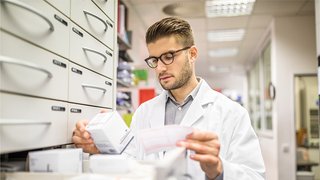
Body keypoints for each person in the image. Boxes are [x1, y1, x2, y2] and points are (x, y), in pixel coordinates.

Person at [73, 17, 265, 180]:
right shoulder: (144, 112)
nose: (160, 68)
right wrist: (101, 146)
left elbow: (255, 175)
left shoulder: (232, 113)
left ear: (192, 54)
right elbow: (131, 163)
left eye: (169, 56)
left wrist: (219, 170)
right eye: (155, 60)